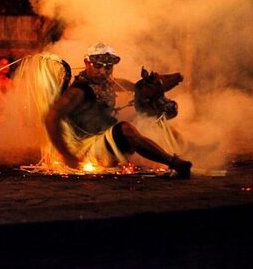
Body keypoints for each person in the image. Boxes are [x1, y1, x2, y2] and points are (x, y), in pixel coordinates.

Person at [42, 43, 192, 178]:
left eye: (108, 68)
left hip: (104, 141)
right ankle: (173, 162)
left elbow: (140, 89)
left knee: (147, 120)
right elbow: (50, 118)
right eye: (97, 66)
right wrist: (67, 155)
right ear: (86, 63)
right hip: (86, 150)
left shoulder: (111, 84)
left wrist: (160, 87)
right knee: (125, 128)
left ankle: (188, 153)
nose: (102, 72)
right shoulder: (79, 91)